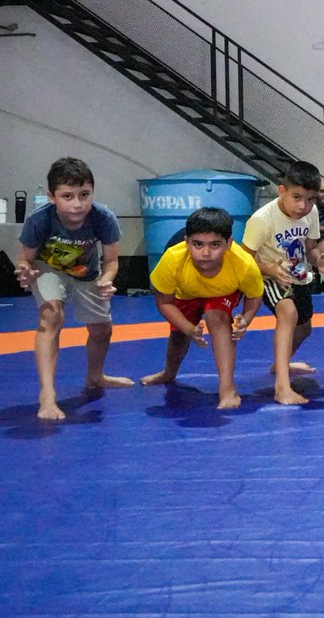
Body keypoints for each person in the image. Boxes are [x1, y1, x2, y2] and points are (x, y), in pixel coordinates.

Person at [13, 156, 133, 420]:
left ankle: (95, 377)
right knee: (51, 316)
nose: (77, 204)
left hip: (86, 272)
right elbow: (25, 258)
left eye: (84, 195)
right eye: (67, 196)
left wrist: (107, 279)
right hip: (48, 268)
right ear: (52, 197)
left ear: (92, 192)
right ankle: (47, 395)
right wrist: (24, 270)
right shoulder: (39, 220)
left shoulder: (103, 218)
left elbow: (112, 261)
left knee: (102, 330)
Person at [140, 207, 264, 409]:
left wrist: (246, 319)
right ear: (186, 242)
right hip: (185, 292)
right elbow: (164, 302)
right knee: (179, 335)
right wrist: (189, 329)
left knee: (217, 317)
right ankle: (169, 373)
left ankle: (227, 389)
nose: (206, 253)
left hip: (224, 291)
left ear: (228, 244)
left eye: (215, 245)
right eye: (198, 244)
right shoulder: (172, 259)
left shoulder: (244, 264)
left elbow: (254, 295)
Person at [242, 159, 324, 405]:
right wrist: (269, 270)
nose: (303, 206)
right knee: (288, 312)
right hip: (268, 276)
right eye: (296, 197)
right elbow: (243, 260)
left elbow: (311, 247)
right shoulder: (262, 219)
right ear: (281, 190)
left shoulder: (311, 213)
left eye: (310, 199)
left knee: (304, 329)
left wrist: (320, 262)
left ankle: (280, 365)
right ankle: (282, 387)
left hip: (298, 275)